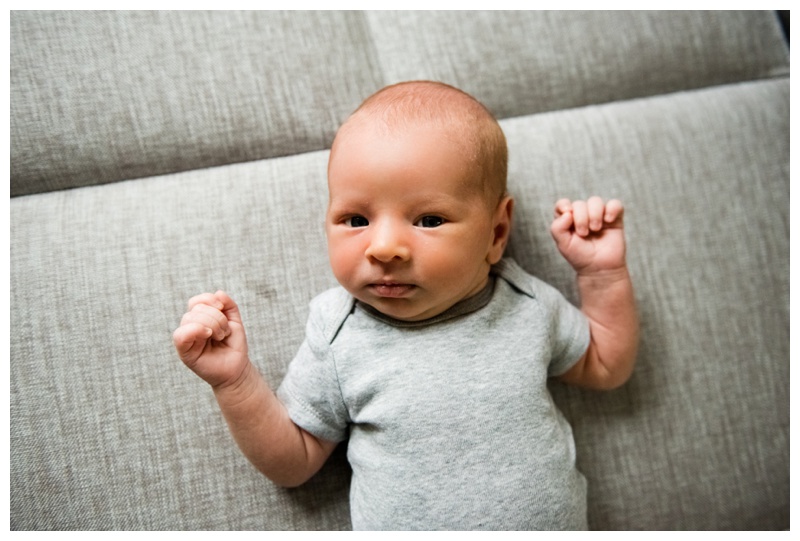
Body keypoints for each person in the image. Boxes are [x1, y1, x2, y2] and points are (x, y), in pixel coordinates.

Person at [173, 81, 639, 530]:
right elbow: (294, 462)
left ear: (496, 233)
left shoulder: (525, 304)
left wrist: (601, 276)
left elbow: (605, 365)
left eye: (429, 219)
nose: (385, 248)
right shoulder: (340, 332)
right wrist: (234, 383)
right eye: (356, 219)